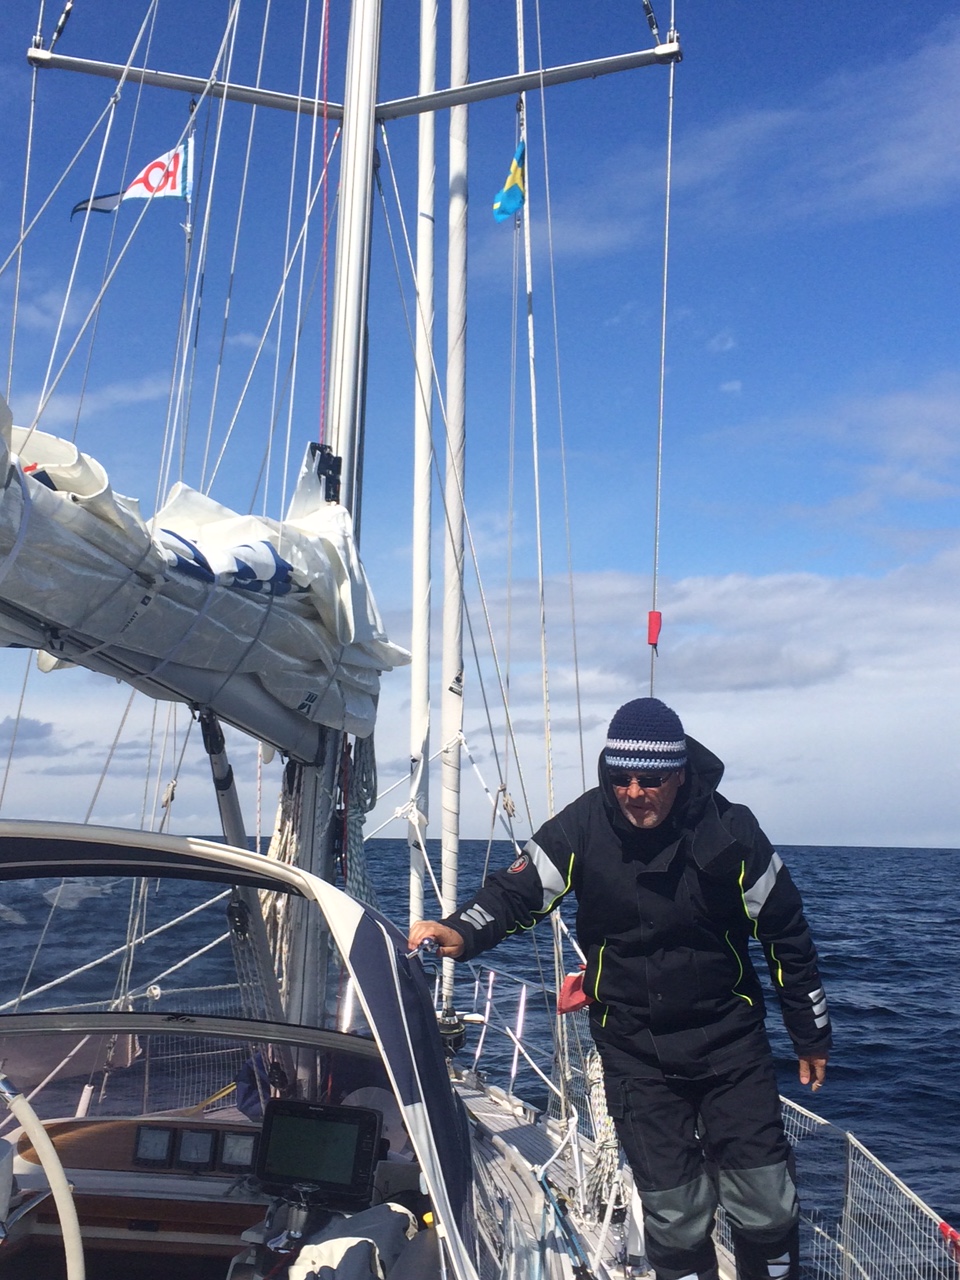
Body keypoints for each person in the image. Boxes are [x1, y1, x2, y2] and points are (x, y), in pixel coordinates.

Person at [408, 697, 831, 1280]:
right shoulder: (583, 826)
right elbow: (516, 892)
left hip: (731, 1046)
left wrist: (810, 1033)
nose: (634, 793)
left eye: (650, 780)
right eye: (621, 777)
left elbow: (787, 932)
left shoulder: (732, 831)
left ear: (679, 774)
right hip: (635, 1052)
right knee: (675, 1214)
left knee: (766, 1203)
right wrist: (462, 929)